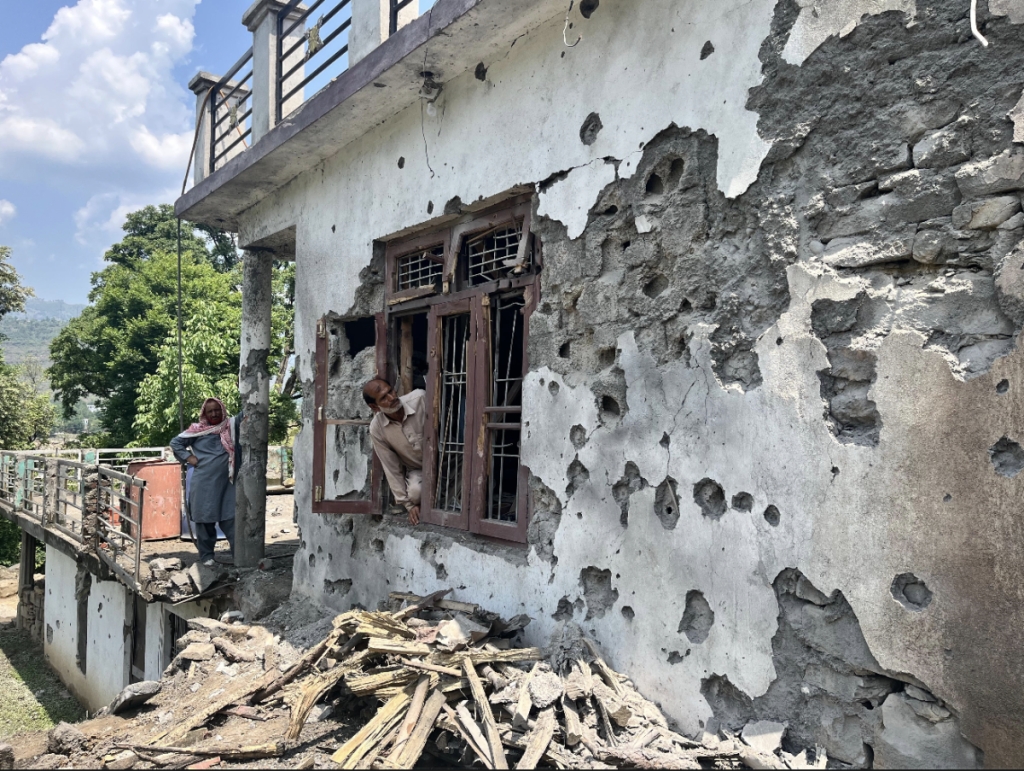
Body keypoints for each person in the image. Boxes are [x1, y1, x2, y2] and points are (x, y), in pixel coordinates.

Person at [170, 397, 240, 565]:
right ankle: (207, 557)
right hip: (204, 484)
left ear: (222, 410)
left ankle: (239, 558)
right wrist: (188, 457)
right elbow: (176, 443)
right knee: (205, 520)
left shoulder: (231, 426)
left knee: (232, 520)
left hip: (227, 484)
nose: (214, 414)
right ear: (205, 414)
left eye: (217, 410)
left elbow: (248, 413)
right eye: (210, 411)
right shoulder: (197, 430)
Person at [364, 379, 425, 524]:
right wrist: (409, 506)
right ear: (375, 407)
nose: (392, 398)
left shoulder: (420, 398)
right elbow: (391, 467)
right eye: (383, 398)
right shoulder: (377, 428)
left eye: (390, 391)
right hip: (419, 470)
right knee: (415, 493)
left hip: (449, 459)